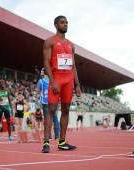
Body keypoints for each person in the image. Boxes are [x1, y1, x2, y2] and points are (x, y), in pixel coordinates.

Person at [42, 15, 81, 153]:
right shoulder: (50, 41)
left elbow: (74, 66)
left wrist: (77, 84)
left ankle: (62, 142)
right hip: (56, 78)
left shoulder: (71, 45)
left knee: (65, 110)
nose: (65, 25)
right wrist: (52, 81)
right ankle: (46, 142)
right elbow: (46, 62)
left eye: (66, 23)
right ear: (56, 25)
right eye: (62, 23)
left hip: (69, 79)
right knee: (51, 110)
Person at [36, 68, 59, 140]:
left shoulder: (41, 81)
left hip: (45, 101)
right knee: (55, 118)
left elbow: (37, 91)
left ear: (43, 73)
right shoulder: (54, 80)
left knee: (47, 118)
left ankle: (48, 136)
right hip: (54, 101)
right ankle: (57, 135)